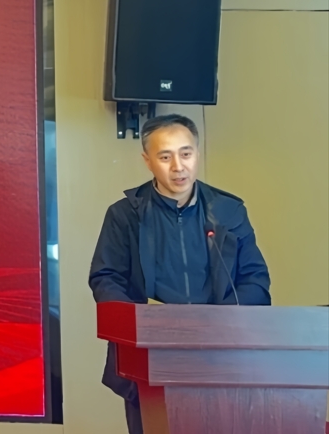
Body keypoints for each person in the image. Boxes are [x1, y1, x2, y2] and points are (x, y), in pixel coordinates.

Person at [88, 114, 271, 434]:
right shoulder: (125, 215)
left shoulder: (228, 211)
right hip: (150, 355)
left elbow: (255, 279)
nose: (178, 166)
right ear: (147, 160)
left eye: (186, 153)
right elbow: (106, 277)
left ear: (197, 152)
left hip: (220, 353)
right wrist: (140, 324)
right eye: (165, 157)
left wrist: (219, 324)